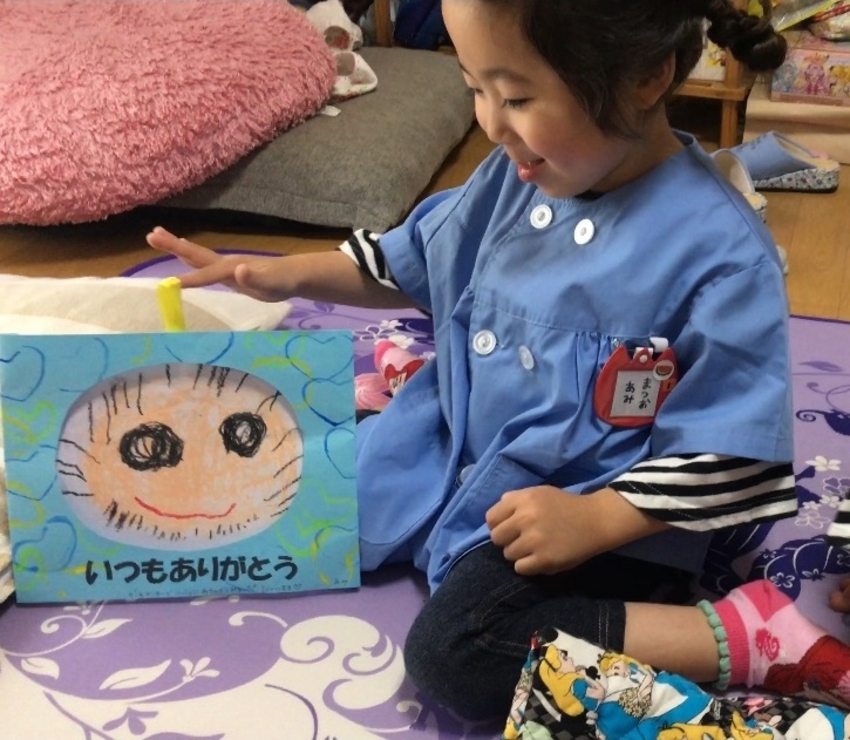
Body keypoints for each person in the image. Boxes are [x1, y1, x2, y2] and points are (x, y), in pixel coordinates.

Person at [146, 0, 850, 721]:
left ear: (645, 77)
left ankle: (740, 633)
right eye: (473, 88)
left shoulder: (722, 258)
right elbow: (410, 261)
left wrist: (596, 519)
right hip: (445, 442)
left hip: (596, 514)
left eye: (515, 97)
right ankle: (393, 396)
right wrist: (281, 275)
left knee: (458, 654)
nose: (490, 122)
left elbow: (733, 455)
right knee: (268, 495)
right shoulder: (513, 175)